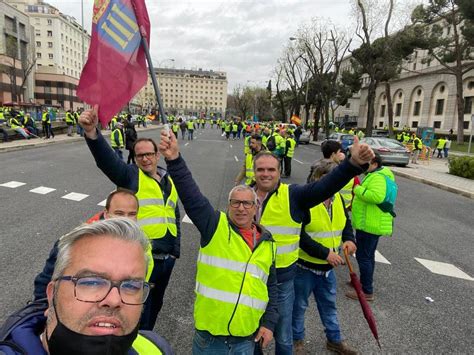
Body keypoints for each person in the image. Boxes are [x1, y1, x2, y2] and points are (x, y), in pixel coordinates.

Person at [251, 137, 374, 354]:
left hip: (282, 278)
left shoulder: (294, 195)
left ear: (279, 172)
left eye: (271, 169)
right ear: (254, 171)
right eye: (260, 169)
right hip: (250, 277)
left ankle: (319, 341)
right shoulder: (242, 198)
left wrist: (352, 164)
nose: (266, 173)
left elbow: (327, 187)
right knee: (249, 330)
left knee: (284, 334)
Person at [158, 130, 278, 354]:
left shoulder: (268, 243)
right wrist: (174, 159)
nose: (241, 208)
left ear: (256, 208)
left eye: (246, 204)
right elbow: (192, 197)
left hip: (247, 338)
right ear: (228, 205)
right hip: (210, 340)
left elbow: (272, 287)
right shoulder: (214, 226)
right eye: (235, 203)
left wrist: (269, 324)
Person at [0, 219, 173, 354]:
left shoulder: (155, 348)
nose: (114, 300)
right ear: (52, 294)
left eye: (131, 286)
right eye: (91, 282)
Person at [79, 107, 181, 331]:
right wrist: (92, 133)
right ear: (134, 159)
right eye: (140, 155)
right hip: (142, 257)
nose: (145, 159)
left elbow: (174, 214)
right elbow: (107, 162)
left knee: (156, 306)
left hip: (167, 258)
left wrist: (176, 250)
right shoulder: (131, 176)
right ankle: (132, 343)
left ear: (157, 155)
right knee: (138, 308)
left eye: (149, 154)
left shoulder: (168, 179)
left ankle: (146, 339)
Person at [293, 159, 357, 355]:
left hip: (327, 270)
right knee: (298, 307)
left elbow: (345, 223)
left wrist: (349, 239)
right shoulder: (305, 201)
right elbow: (299, 236)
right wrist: (326, 253)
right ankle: (296, 341)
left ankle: (334, 340)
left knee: (329, 306)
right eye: (327, 178)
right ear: (317, 178)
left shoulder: (337, 199)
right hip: (304, 267)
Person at [33, 188, 144, 300]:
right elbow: (46, 280)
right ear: (106, 214)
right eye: (119, 213)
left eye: (131, 214)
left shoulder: (135, 242)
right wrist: (43, 308)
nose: (125, 219)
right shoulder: (77, 242)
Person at [346, 153, 395, 302]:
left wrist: (358, 189)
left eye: (366, 163)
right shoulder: (378, 174)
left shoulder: (378, 177)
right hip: (369, 222)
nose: (363, 166)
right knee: (368, 256)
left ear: (374, 163)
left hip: (370, 224)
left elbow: (377, 197)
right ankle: (364, 283)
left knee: (364, 257)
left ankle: (366, 291)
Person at [318, 140, 360, 210]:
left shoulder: (318, 167)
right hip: (335, 207)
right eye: (339, 152)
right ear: (333, 154)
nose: (341, 154)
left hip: (334, 207)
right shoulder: (336, 171)